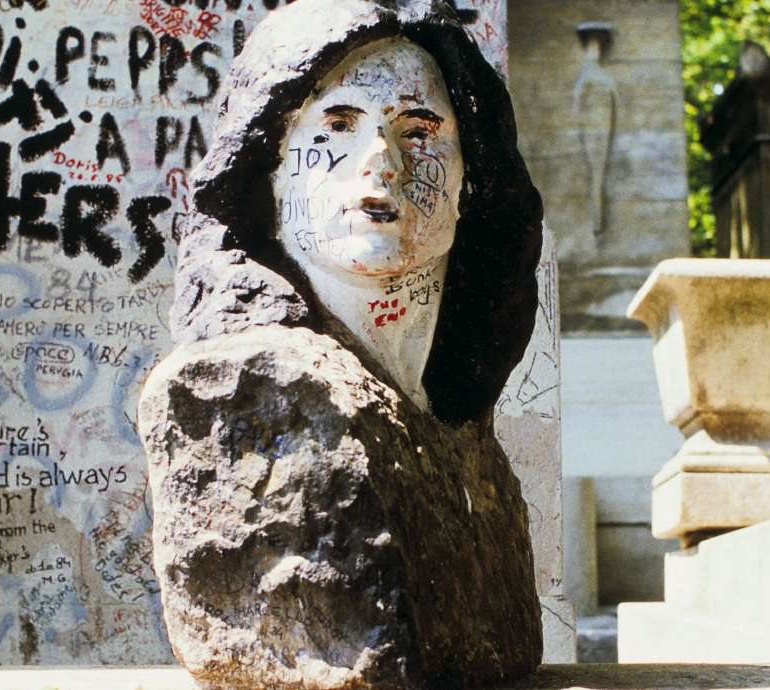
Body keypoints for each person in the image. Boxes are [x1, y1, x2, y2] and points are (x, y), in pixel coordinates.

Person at [142, 1, 545, 686]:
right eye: (338, 124)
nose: (380, 162)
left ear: (469, 179)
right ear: (270, 166)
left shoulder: (455, 413)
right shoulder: (246, 393)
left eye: (418, 130)